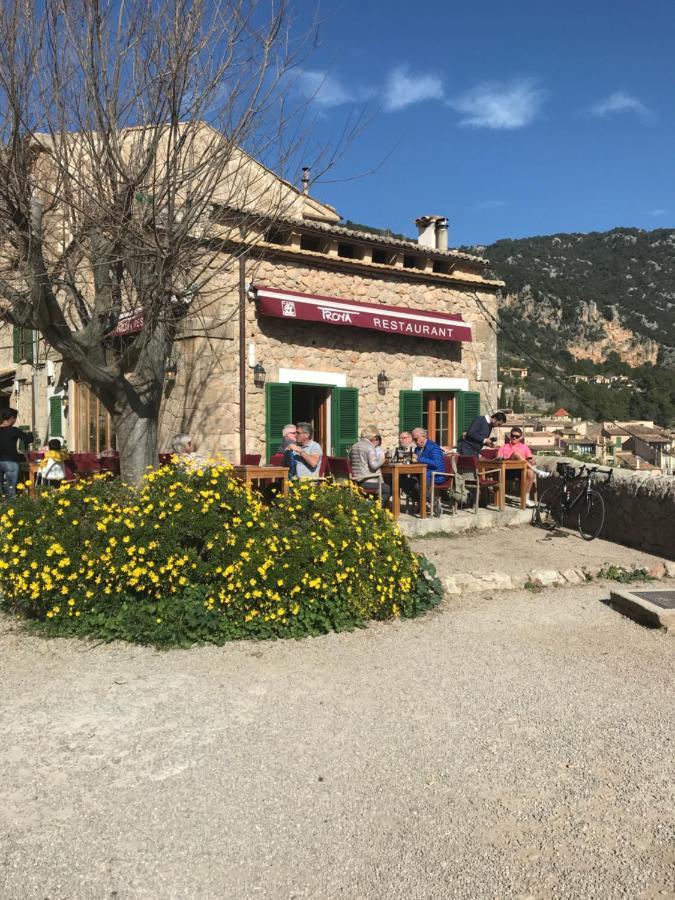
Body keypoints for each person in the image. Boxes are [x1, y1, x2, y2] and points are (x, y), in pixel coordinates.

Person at [497, 427, 551, 507]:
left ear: (520, 437)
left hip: (521, 470)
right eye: (512, 436)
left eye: (517, 436)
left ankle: (525, 499)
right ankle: (537, 471)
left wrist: (532, 461)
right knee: (516, 454)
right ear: (510, 436)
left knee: (530, 472)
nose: (514, 438)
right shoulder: (504, 447)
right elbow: (498, 458)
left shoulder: (524, 447)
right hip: (507, 471)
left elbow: (530, 459)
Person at [400, 427, 445, 508]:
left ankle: (431, 501)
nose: (415, 441)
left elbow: (436, 464)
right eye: (413, 439)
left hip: (434, 475)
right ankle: (425, 501)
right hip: (421, 474)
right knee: (403, 481)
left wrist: (418, 458)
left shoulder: (433, 447)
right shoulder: (417, 449)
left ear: (423, 436)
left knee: (417, 485)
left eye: (415, 438)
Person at [349, 425, 391, 505]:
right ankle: (370, 508)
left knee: (384, 487)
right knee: (387, 489)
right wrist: (383, 459)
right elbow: (374, 466)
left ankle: (366, 505)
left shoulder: (354, 446)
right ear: (374, 436)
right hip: (367, 480)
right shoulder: (369, 447)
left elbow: (350, 462)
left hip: (356, 480)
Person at [0, 407, 34, 499]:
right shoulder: (14, 430)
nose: (14, 421)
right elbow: (28, 440)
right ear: (11, 418)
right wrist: (30, 434)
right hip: (11, 462)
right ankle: (12, 510)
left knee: (2, 491)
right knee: (11, 491)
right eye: (14, 419)